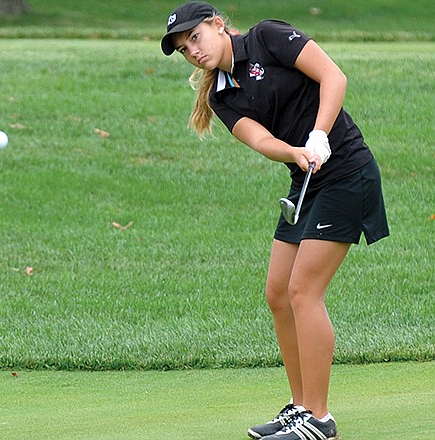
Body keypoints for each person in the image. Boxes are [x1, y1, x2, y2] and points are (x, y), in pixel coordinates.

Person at [160, 2, 389, 440]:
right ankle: (300, 407)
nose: (192, 50)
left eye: (195, 37)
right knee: (278, 293)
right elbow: (260, 138)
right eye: (183, 48)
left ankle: (319, 420)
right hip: (307, 180)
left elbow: (333, 77)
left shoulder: (267, 37)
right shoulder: (221, 95)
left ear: (217, 25)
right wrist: (297, 152)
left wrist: (320, 135)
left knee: (304, 290)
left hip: (347, 171)